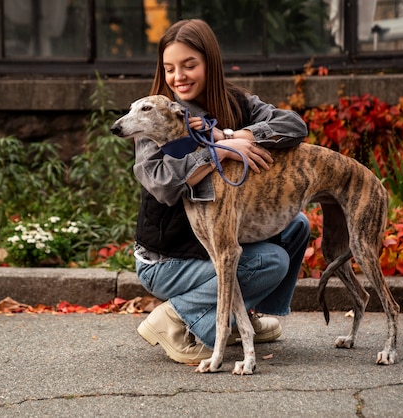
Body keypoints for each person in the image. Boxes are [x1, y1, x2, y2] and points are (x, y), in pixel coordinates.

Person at [133, 19, 311, 364]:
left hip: (215, 236)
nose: (178, 77)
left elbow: (293, 125)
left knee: (296, 226)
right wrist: (220, 151)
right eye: (169, 68)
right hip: (168, 257)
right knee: (270, 262)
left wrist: (238, 135)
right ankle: (177, 318)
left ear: (210, 65)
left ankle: (244, 314)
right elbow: (161, 182)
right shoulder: (155, 114)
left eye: (189, 65)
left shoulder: (236, 101)